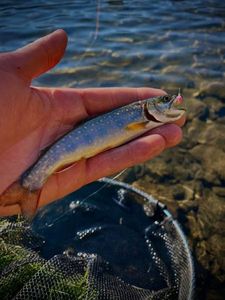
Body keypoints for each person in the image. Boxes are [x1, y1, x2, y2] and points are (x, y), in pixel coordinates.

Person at [0, 30, 184, 216]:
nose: (168, 102)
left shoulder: (146, 117)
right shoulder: (140, 115)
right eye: (164, 101)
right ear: (149, 108)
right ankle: (28, 186)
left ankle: (27, 188)